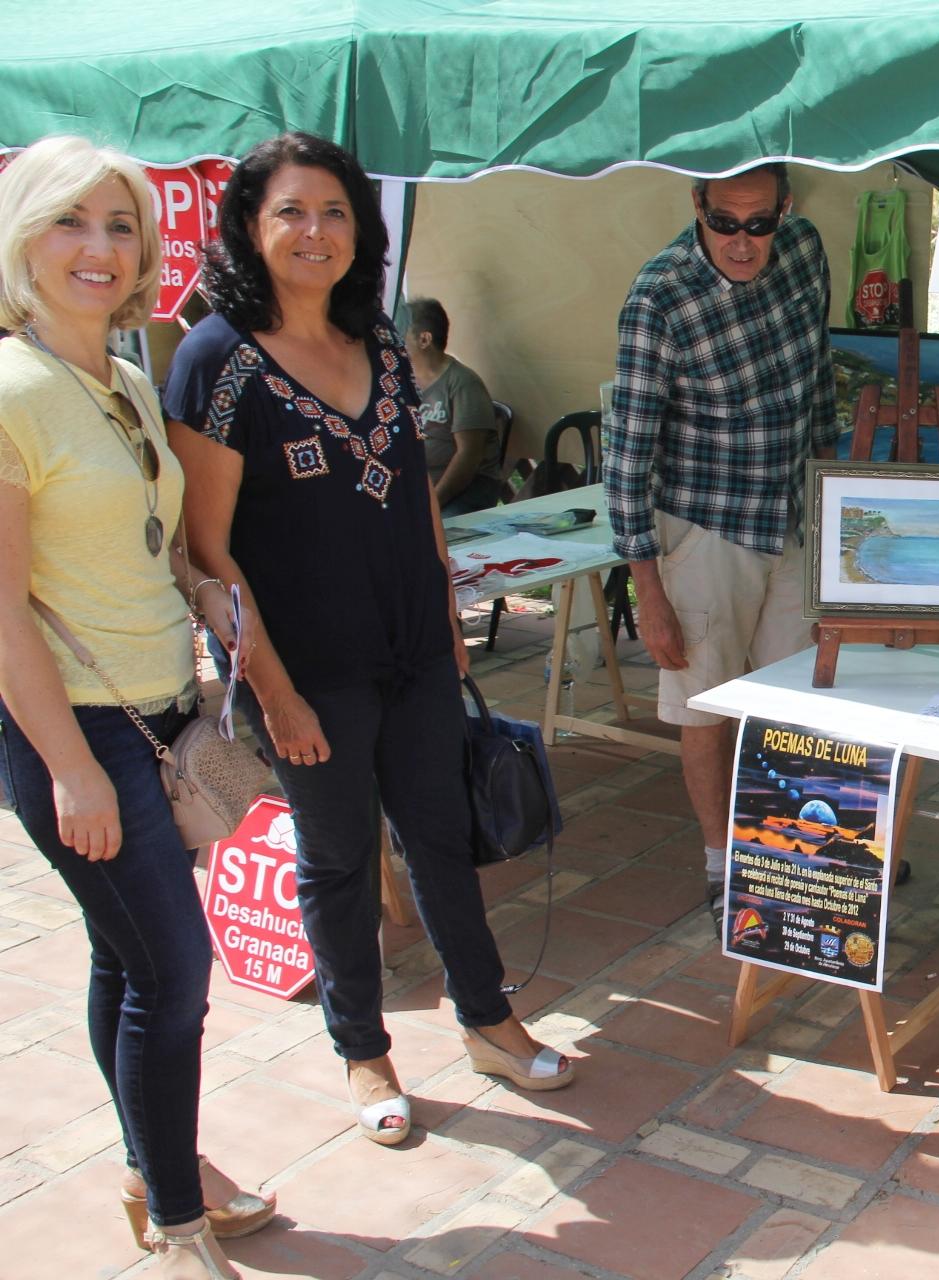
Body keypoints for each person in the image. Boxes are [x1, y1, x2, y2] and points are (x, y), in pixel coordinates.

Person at [164, 132, 574, 1152]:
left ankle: (488, 1019)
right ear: (248, 225)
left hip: (414, 653)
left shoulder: (381, 343)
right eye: (291, 211)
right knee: (340, 860)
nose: (316, 231)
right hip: (306, 672)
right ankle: (363, 1049)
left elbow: (416, 501)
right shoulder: (218, 358)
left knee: (442, 838)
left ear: (363, 231)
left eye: (336, 211)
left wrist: (445, 618)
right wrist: (275, 692)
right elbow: (207, 551)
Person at [0, 135, 271, 1279]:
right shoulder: (11, 391)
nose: (99, 247)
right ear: (21, 237)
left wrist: (200, 589)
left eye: (121, 225)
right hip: (82, 728)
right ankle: (176, 1223)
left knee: (128, 959)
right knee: (174, 971)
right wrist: (72, 766)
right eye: (70, 220)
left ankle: (149, 1165)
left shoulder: (118, 377)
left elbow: (143, 540)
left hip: (163, 712)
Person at [605, 162, 838, 939]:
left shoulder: (805, 250)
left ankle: (796, 859)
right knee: (706, 705)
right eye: (725, 223)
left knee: (795, 702)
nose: (743, 242)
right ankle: (720, 865)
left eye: (759, 223)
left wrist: (833, 497)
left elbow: (819, 377)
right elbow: (627, 453)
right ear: (696, 205)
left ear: (785, 211)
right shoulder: (659, 297)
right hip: (704, 526)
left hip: (792, 515)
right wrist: (648, 589)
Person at [402, 297, 503, 516]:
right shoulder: (400, 381)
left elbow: (468, 457)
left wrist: (432, 504)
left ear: (424, 339)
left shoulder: (463, 383)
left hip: (466, 489)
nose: (393, 341)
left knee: (438, 530)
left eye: (401, 334)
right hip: (420, 486)